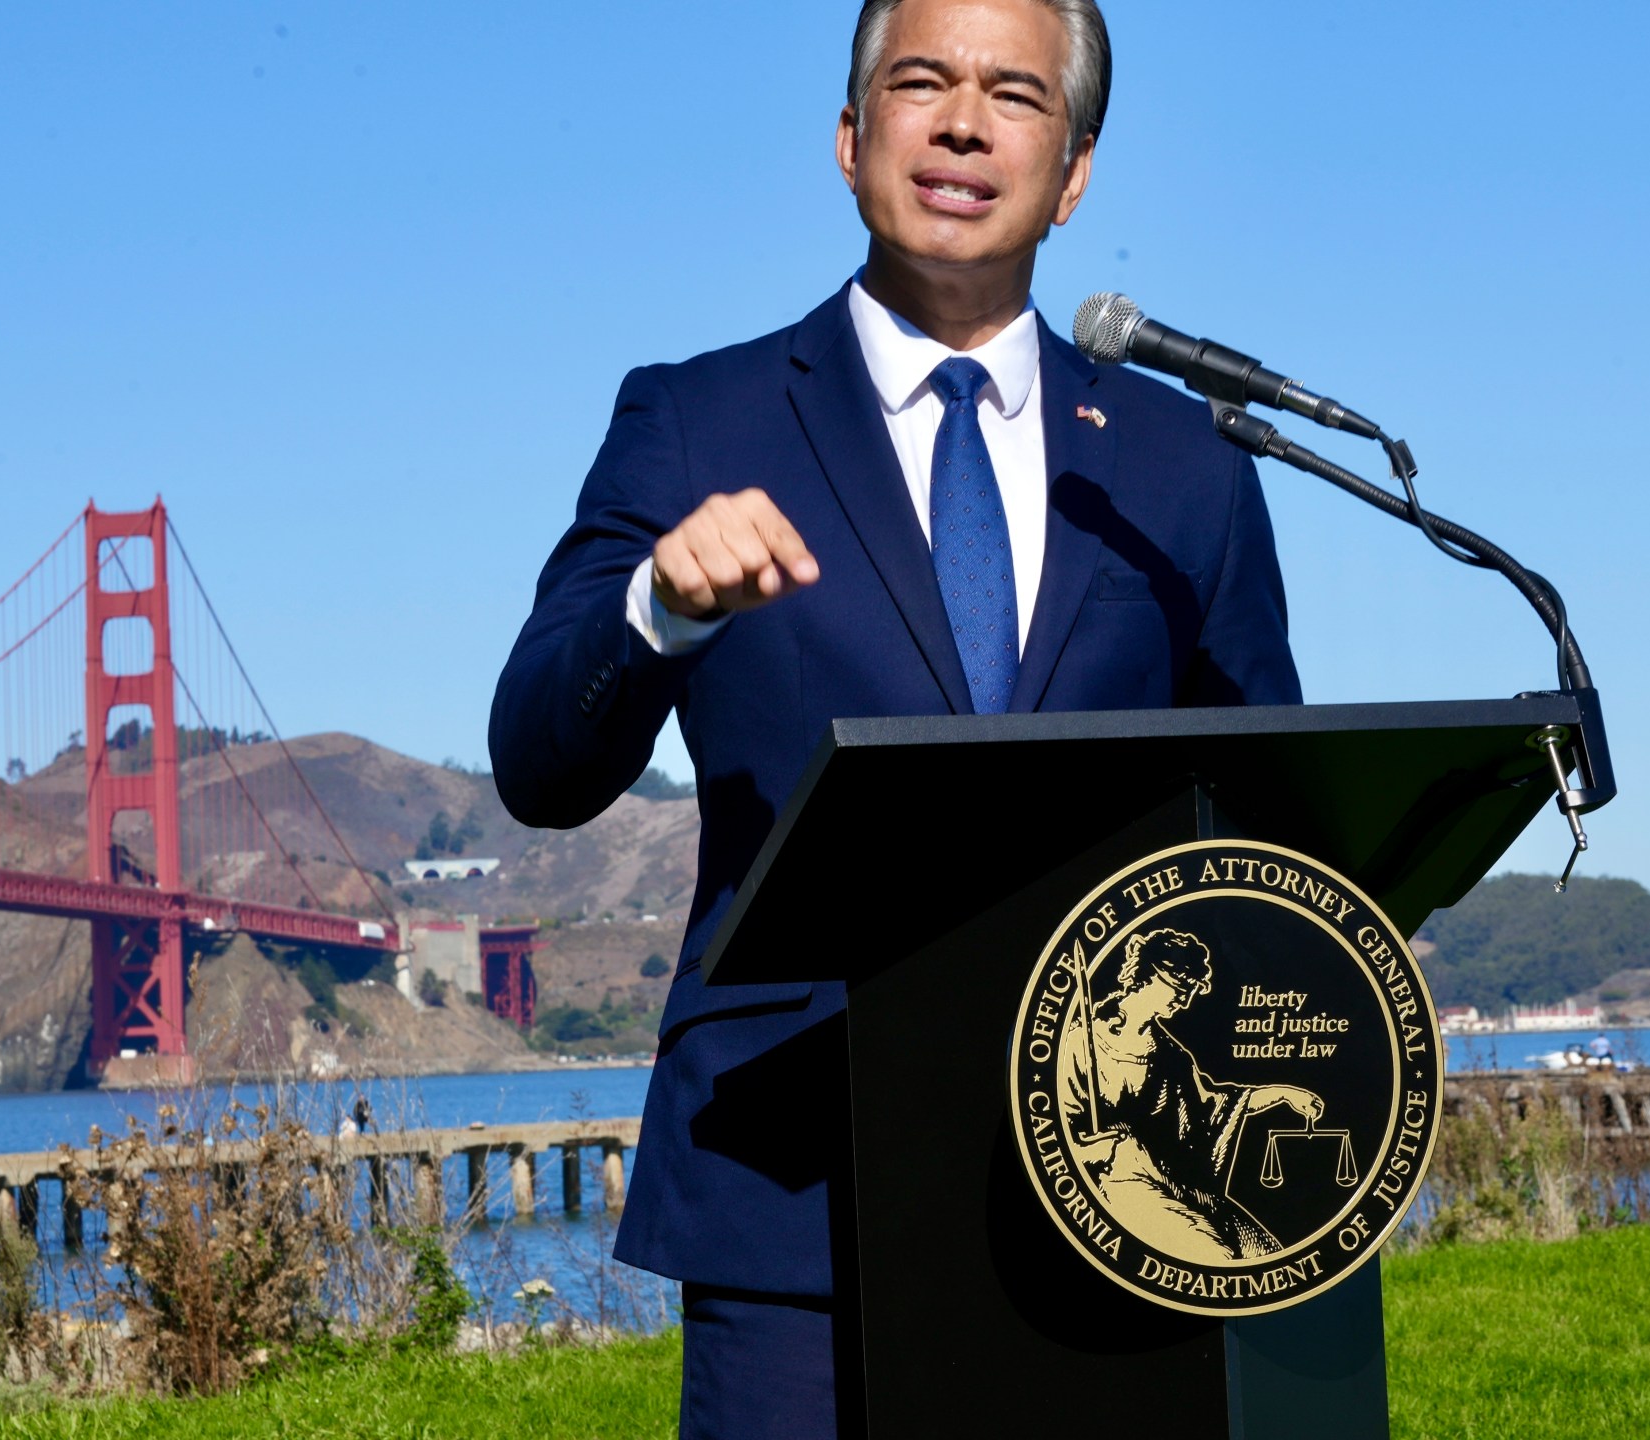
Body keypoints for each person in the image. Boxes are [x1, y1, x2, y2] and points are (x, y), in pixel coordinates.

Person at [490, 0, 1298, 1431]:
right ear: (853, 141)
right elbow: (538, 762)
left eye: (1016, 95)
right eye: (921, 82)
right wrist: (659, 612)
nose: (965, 123)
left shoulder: (1183, 463)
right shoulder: (696, 421)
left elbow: (1267, 819)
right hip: (790, 1208)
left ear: (1078, 168)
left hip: (1116, 1208)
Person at [1058, 929, 1321, 1261]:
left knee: (1266, 1255)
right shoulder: (1084, 1042)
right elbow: (1060, 1134)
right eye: (1180, 988)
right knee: (1216, 1258)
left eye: (1191, 991)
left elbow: (1215, 1107)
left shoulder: (1171, 1056)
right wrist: (1110, 1148)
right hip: (1118, 1182)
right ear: (1150, 974)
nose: (1184, 1001)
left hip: (1176, 1182)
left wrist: (1280, 1094)